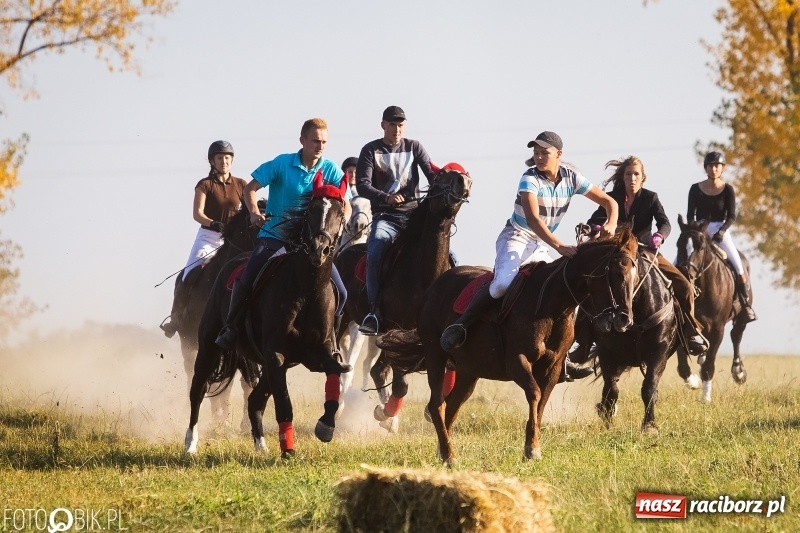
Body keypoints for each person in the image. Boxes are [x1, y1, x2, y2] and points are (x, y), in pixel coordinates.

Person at [439, 131, 618, 381]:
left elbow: (610, 202)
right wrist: (559, 246)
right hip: (516, 236)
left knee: (565, 289)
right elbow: (533, 220)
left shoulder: (573, 177)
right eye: (536, 152)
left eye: (545, 152)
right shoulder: (529, 178)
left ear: (559, 154)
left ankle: (563, 357)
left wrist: (611, 223)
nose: (539, 157)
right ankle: (461, 325)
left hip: (541, 242)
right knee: (502, 284)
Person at [213, 118, 353, 373]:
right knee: (247, 278)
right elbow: (250, 189)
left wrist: (341, 224)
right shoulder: (281, 163)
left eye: (324, 142)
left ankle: (332, 345)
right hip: (275, 236)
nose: (320, 146)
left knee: (342, 293)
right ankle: (231, 328)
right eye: (315, 141)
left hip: (310, 245)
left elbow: (345, 203)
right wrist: (254, 212)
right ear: (302, 140)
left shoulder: (331, 169)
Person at [569, 156, 709, 365]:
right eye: (628, 174)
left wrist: (659, 236)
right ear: (623, 177)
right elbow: (594, 221)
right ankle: (583, 343)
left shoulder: (651, 198)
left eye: (636, 174)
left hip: (646, 251)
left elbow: (665, 223)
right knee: (590, 287)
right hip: (616, 254)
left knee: (684, 285)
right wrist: (594, 228)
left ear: (643, 177)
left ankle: (690, 333)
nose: (632, 178)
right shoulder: (611, 197)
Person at [355, 105, 437, 335]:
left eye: (400, 125)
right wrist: (386, 198)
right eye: (392, 124)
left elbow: (432, 174)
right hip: (386, 217)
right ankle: (374, 312)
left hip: (414, 216)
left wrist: (450, 180)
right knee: (375, 252)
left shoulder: (415, 147)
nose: (396, 129)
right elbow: (362, 185)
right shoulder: (370, 150)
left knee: (448, 254)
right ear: (383, 125)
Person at [160, 140, 247, 338]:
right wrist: (213, 223)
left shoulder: (241, 184)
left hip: (234, 240)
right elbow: (197, 214)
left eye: (227, 158)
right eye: (220, 158)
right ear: (212, 161)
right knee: (190, 271)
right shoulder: (205, 185)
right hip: (209, 237)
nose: (224, 161)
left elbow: (251, 209)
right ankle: (176, 319)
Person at [687, 151, 756, 322]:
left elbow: (732, 216)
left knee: (738, 266)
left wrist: (722, 231)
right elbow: (690, 215)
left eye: (717, 166)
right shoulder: (695, 188)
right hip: (700, 229)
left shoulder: (728, 189)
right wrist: (698, 230)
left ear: (722, 168)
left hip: (720, 229)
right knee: (680, 262)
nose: (713, 169)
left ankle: (745, 305)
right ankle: (677, 301)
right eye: (710, 166)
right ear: (705, 168)